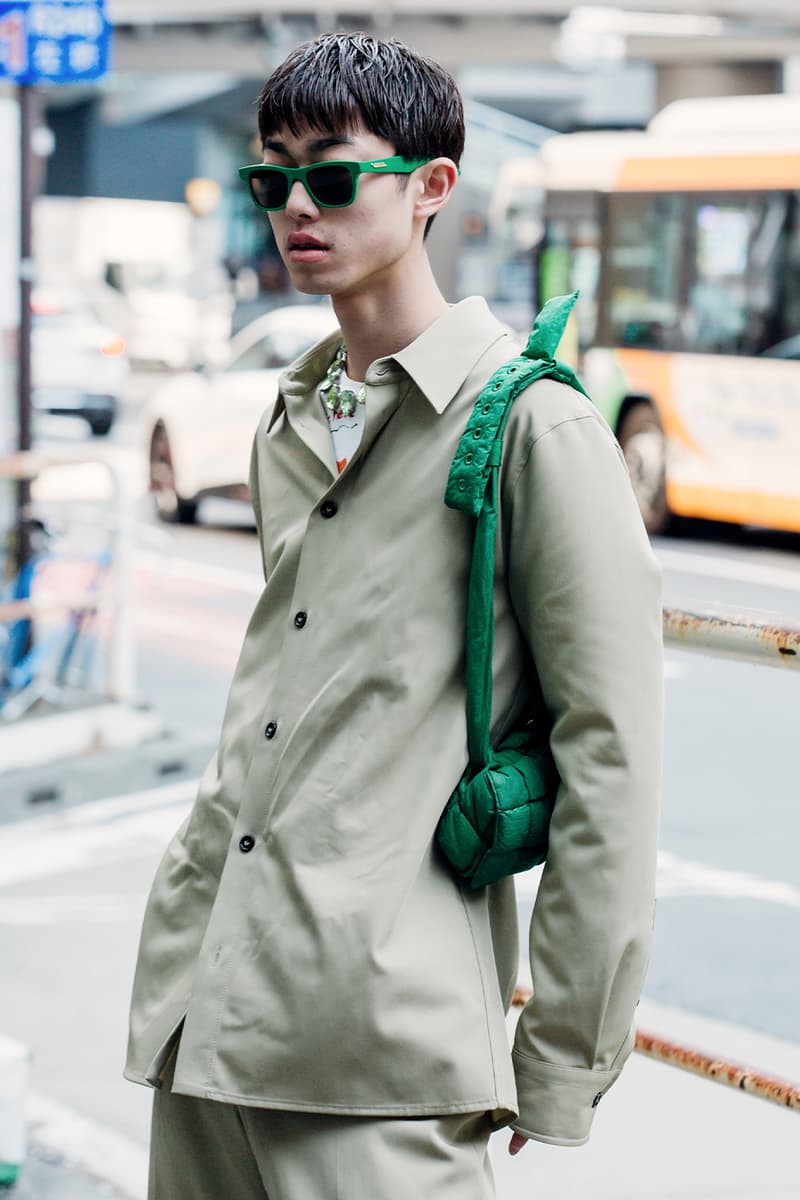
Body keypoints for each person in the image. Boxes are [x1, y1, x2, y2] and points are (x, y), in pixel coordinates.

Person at [125, 32, 663, 1200]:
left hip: (378, 1050)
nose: (293, 206)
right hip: (208, 1014)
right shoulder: (294, 419)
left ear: (430, 188)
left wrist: (560, 1054)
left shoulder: (534, 430)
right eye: (272, 178)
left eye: (331, 172)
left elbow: (607, 756)